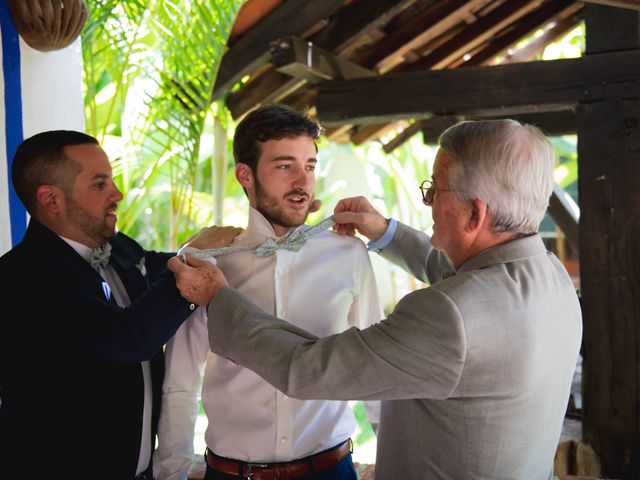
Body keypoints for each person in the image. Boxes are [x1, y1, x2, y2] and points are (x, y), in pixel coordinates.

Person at [168, 119, 583, 479]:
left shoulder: (450, 315)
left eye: (434, 192)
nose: (427, 202)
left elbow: (305, 370)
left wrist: (217, 298)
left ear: (475, 215)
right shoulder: (552, 280)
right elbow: (466, 279)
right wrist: (385, 231)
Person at [153, 105, 382, 480]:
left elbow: (374, 369)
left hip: (330, 470)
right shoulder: (205, 263)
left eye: (309, 165)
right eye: (284, 165)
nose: (303, 182)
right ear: (245, 174)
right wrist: (171, 473)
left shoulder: (349, 254)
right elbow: (180, 383)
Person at [0, 130, 239, 479]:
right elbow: (130, 338)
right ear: (51, 199)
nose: (118, 194)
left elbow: (157, 265)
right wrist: (193, 262)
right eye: (100, 184)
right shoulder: (23, 279)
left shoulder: (119, 247)